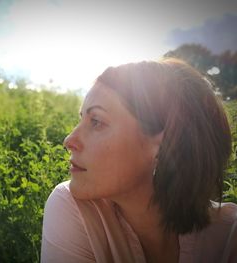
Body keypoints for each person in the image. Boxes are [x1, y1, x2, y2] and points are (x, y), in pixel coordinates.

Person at [40, 58, 237, 263]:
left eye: (96, 121)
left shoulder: (229, 237)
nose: (69, 140)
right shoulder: (75, 209)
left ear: (164, 145)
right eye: (81, 119)